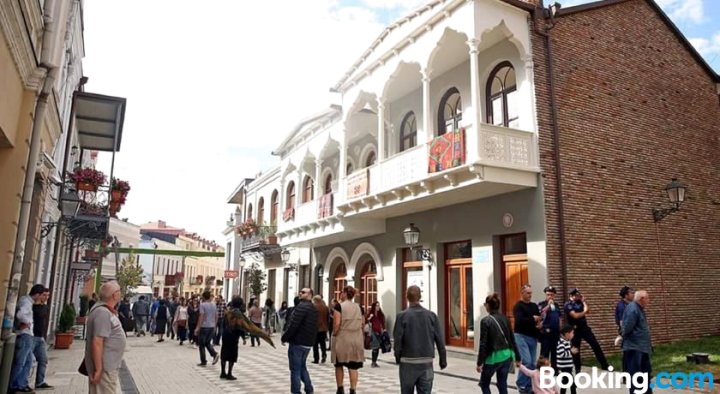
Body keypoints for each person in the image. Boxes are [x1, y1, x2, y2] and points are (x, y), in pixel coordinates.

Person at [394, 285, 447, 394]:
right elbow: (440, 340)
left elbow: (398, 339)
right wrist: (443, 359)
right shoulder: (431, 316)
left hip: (407, 362)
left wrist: (398, 356)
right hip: (426, 362)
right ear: (420, 297)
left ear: (406, 297)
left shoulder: (402, 316)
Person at [85, 281, 126, 394]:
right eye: (119, 291)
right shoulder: (102, 312)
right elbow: (97, 341)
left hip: (108, 366)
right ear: (115, 295)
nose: (120, 294)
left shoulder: (105, 310)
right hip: (104, 368)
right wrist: (98, 369)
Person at [477, 293, 520, 394]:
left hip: (493, 357)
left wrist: (480, 362)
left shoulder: (486, 321)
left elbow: (483, 343)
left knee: (484, 383)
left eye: (485, 304)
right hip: (506, 355)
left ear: (488, 305)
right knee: (502, 383)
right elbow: (512, 338)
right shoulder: (505, 318)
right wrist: (518, 358)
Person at [9, 284, 47, 394]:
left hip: (27, 335)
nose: (41, 299)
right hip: (25, 335)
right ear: (37, 294)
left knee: (29, 361)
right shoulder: (27, 302)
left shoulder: (27, 300)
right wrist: (28, 323)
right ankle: (15, 386)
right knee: (21, 361)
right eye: (41, 295)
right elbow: (20, 315)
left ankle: (22, 384)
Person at [281, 288, 319, 394]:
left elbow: (293, 325)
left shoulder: (301, 307)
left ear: (310, 294)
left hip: (298, 343)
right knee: (302, 367)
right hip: (307, 343)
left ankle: (296, 391)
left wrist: (284, 337)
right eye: (300, 292)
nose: (300, 293)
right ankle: (309, 388)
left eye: (303, 292)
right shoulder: (314, 308)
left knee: (295, 370)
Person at [563, 288, 609, 372]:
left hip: (584, 328)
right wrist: (584, 311)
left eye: (579, 295)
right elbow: (575, 316)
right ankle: (577, 369)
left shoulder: (580, 302)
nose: (578, 296)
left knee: (595, 345)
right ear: (571, 296)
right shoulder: (568, 304)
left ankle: (605, 365)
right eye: (577, 295)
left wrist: (584, 302)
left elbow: (588, 311)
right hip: (575, 330)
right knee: (576, 350)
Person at [331, 286, 364, 394]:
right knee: (353, 365)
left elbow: (336, 324)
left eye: (342, 292)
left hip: (343, 338)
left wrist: (334, 334)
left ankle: (340, 388)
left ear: (345, 293)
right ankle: (353, 389)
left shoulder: (339, 306)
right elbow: (363, 323)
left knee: (339, 363)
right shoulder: (359, 307)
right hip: (356, 338)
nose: (340, 294)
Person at [622, 290, 652, 394]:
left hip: (642, 347)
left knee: (645, 373)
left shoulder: (640, 309)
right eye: (647, 298)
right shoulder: (632, 309)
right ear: (641, 299)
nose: (649, 300)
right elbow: (626, 327)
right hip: (634, 347)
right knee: (635, 375)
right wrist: (621, 337)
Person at [513, 284, 541, 394]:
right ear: (522, 293)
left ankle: (529, 386)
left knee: (533, 363)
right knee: (526, 361)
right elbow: (519, 321)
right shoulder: (518, 306)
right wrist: (532, 318)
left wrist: (539, 323)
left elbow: (538, 318)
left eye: (531, 293)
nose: (530, 295)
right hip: (520, 336)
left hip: (532, 337)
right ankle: (521, 384)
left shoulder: (534, 306)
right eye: (528, 293)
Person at [25, 288, 52, 390]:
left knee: (43, 360)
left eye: (47, 295)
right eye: (44, 295)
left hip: (41, 337)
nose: (46, 297)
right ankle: (24, 382)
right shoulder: (32, 307)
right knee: (28, 360)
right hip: (32, 336)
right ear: (39, 295)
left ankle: (40, 382)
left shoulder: (45, 307)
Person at [220, 296, 245, 380]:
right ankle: (229, 373)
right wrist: (243, 337)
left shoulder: (228, 312)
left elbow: (223, 323)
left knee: (224, 352)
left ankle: (223, 372)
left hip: (225, 334)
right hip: (233, 335)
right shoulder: (238, 313)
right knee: (232, 354)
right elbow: (240, 325)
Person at [538, 286, 561, 368]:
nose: (550, 296)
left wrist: (560, 330)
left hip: (555, 333)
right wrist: (548, 306)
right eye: (548, 295)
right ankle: (542, 370)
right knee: (544, 353)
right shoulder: (541, 304)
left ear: (554, 296)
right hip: (545, 333)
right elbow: (540, 315)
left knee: (555, 353)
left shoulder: (557, 305)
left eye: (551, 295)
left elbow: (559, 318)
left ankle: (555, 370)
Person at [194, 290, 219, 366]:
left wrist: (197, 328)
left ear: (204, 297)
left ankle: (204, 361)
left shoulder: (202, 305)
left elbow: (201, 316)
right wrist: (215, 325)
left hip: (204, 326)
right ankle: (214, 354)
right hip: (211, 326)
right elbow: (216, 315)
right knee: (207, 342)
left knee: (201, 344)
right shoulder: (214, 305)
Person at [557, 325, 578, 394]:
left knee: (565, 382)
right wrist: (571, 352)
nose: (573, 335)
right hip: (564, 367)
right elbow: (561, 354)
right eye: (572, 333)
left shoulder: (567, 342)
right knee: (572, 383)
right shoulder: (561, 343)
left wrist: (571, 352)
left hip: (568, 367)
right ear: (567, 334)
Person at [366, 301, 386, 368]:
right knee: (375, 347)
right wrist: (369, 318)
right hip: (373, 332)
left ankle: (374, 361)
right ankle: (373, 362)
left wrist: (384, 329)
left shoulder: (380, 314)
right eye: (377, 305)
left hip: (379, 332)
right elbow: (366, 320)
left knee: (377, 348)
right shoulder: (371, 314)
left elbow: (382, 322)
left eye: (378, 305)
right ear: (374, 306)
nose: (378, 307)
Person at [312, 295, 329, 364]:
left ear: (315, 300)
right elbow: (328, 318)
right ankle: (324, 354)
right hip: (324, 328)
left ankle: (316, 359)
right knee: (323, 343)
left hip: (315, 328)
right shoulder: (325, 307)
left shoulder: (313, 307)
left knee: (315, 344)